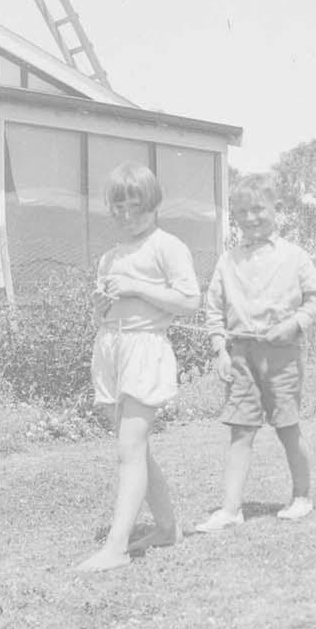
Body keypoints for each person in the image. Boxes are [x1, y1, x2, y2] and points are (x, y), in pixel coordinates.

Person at [74, 163, 201, 572]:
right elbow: (106, 312)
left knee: (128, 448)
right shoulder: (111, 257)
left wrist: (136, 287)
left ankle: (116, 547)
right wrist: (100, 307)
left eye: (136, 207)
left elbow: (189, 300)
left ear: (153, 205)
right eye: (119, 208)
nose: (127, 215)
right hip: (112, 348)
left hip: (146, 349)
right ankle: (166, 529)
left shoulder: (167, 245)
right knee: (137, 449)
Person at [195, 173, 316, 532]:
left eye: (258, 209)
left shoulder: (295, 256)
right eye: (242, 211)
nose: (251, 218)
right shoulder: (228, 261)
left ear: (277, 209)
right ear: (234, 217)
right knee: (240, 430)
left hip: (282, 354)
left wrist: (294, 324)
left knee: (287, 425)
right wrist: (219, 350)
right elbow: (213, 311)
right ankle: (230, 509)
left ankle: (302, 496)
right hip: (240, 355)